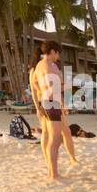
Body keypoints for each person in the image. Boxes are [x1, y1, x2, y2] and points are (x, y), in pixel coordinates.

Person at [32, 41, 70, 178]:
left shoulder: (39, 65)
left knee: (52, 139)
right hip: (52, 103)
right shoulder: (48, 66)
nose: (58, 56)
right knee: (56, 139)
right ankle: (54, 174)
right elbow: (52, 87)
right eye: (58, 53)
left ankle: (51, 171)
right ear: (53, 51)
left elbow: (35, 83)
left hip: (45, 102)